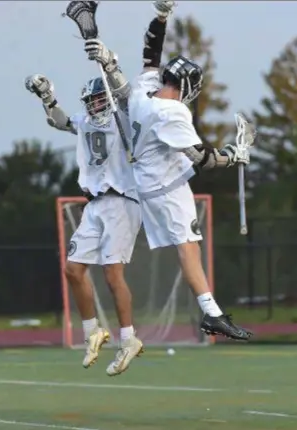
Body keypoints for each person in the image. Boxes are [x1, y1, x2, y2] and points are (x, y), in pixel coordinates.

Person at [83, 1, 253, 343]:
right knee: (188, 247)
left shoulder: (145, 90)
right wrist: (233, 156)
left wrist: (160, 17)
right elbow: (201, 159)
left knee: (189, 246)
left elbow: (150, 52)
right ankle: (212, 315)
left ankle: (212, 312)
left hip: (152, 183)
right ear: (187, 85)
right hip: (167, 187)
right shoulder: (172, 113)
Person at [25, 70, 142, 375]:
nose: (95, 104)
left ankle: (128, 339)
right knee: (73, 270)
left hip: (122, 200)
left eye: (100, 97)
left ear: (110, 97)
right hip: (95, 204)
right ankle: (93, 332)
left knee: (113, 276)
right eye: (91, 100)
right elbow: (60, 120)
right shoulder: (87, 120)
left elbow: (127, 97)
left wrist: (111, 66)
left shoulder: (125, 119)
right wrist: (47, 97)